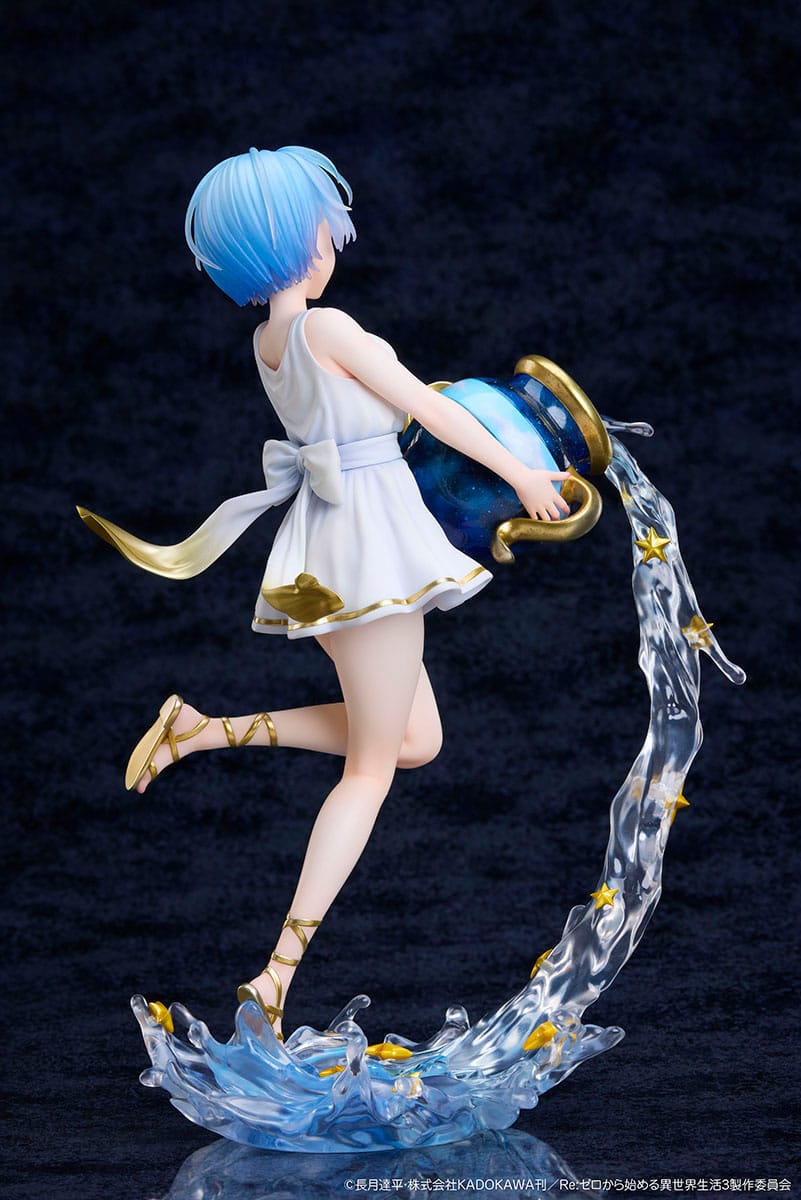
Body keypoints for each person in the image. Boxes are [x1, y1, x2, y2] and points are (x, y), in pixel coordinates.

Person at [79, 146, 569, 1041]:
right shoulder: (325, 327)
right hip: (366, 555)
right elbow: (431, 408)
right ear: (295, 239)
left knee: (415, 741)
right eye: (319, 225)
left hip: (332, 551)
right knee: (371, 771)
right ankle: (275, 976)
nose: (328, 240)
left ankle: (202, 732)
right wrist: (521, 474)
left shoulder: (268, 341)